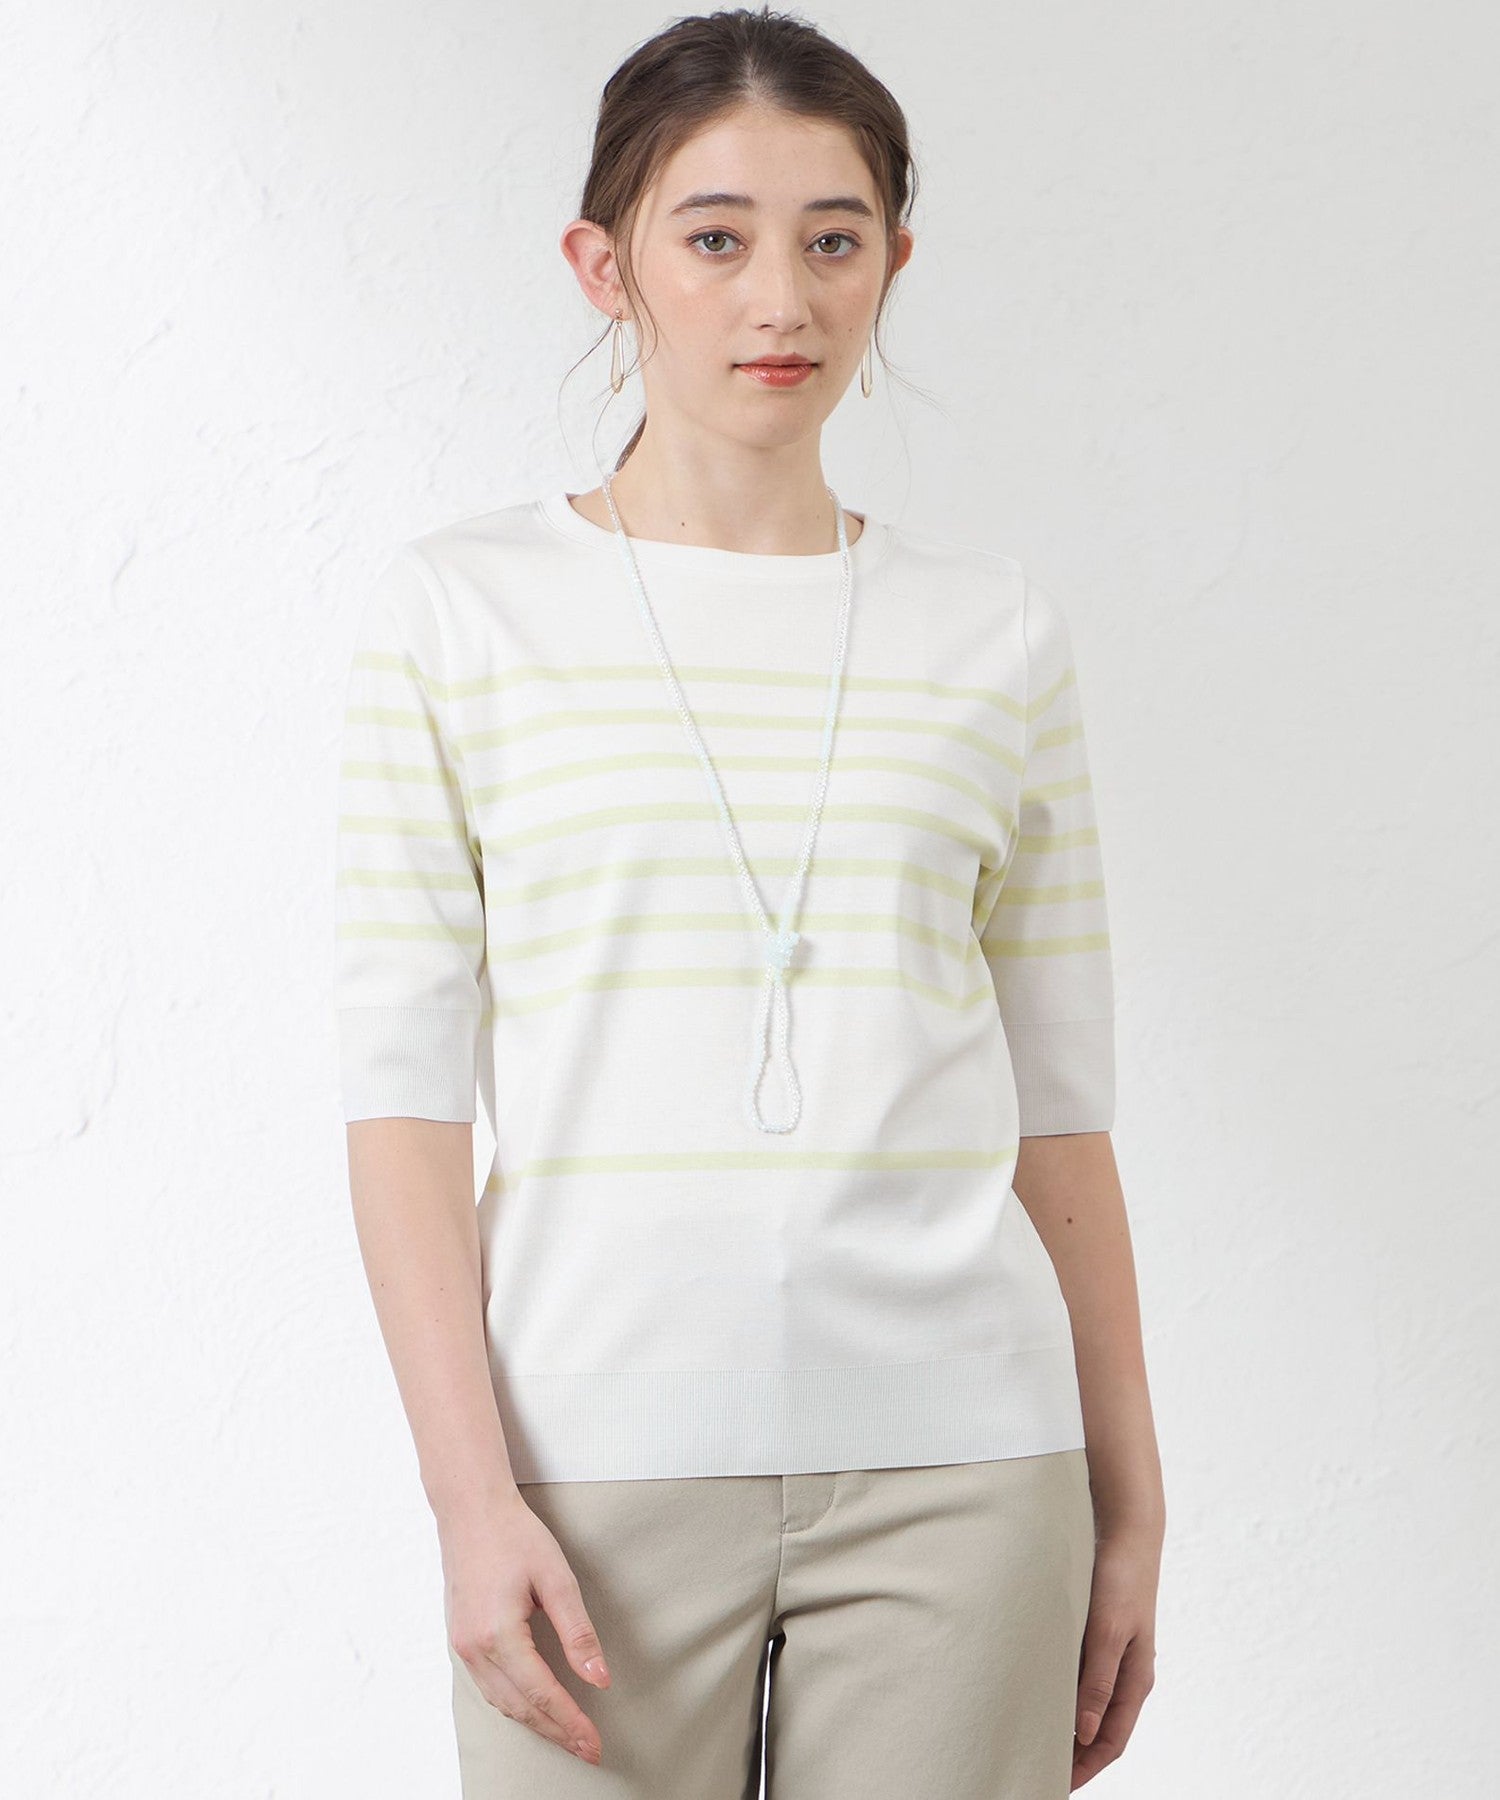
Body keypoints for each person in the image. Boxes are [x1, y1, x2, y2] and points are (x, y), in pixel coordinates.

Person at [334, 8, 1164, 1796]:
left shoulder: (996, 636)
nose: (780, 298)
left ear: (893, 265)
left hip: (968, 1468)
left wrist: (1132, 1506)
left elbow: (1062, 1118)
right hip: (586, 1479)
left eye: (833, 239)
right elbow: (401, 1113)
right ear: (605, 265)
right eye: (715, 237)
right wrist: (469, 1502)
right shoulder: (459, 613)